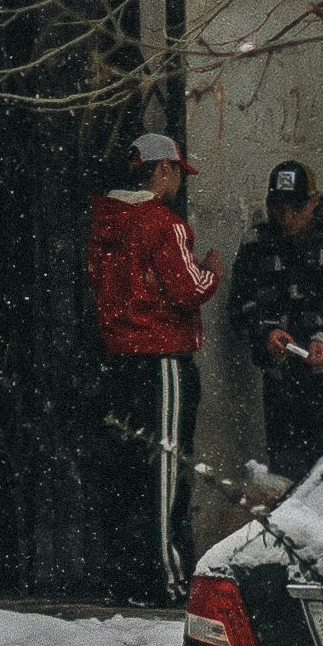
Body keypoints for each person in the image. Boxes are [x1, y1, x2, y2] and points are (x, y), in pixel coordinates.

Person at [85, 128, 221, 604]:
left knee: (125, 472)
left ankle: (125, 577)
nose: (178, 182)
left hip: (118, 359)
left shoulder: (103, 220)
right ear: (161, 169)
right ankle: (168, 579)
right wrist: (213, 270)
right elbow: (188, 288)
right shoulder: (163, 224)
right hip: (162, 358)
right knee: (166, 468)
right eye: (177, 172)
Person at [228, 157, 323, 485]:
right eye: (279, 209)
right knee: (286, 481)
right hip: (281, 385)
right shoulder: (257, 242)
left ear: (315, 202)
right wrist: (266, 333)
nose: (287, 218)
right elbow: (240, 307)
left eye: (296, 208)